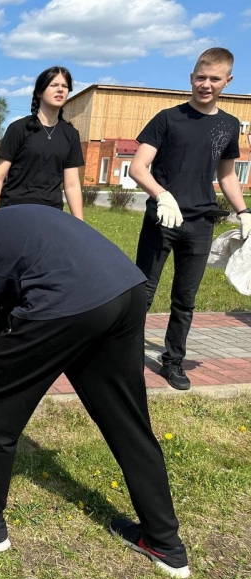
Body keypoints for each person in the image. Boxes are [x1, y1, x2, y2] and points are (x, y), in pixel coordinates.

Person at [0, 198, 190, 579]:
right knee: (125, 418)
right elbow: (23, 287)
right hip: (124, 288)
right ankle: (164, 542)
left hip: (71, 299)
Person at [130, 47, 250, 391]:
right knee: (143, 292)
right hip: (162, 219)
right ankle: (127, 356)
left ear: (228, 81)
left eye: (214, 79)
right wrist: (162, 195)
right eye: (201, 77)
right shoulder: (167, 118)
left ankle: (173, 362)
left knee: (185, 299)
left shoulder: (228, 125)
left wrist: (243, 212)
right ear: (191, 78)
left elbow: (226, 176)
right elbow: (139, 168)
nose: (206, 84)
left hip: (200, 224)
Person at [0, 66, 84, 220]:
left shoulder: (71, 134)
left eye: (65, 86)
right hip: (14, 211)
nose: (60, 90)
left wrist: (80, 224)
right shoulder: (18, 129)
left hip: (51, 215)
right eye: (53, 85)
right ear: (39, 92)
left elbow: (71, 184)